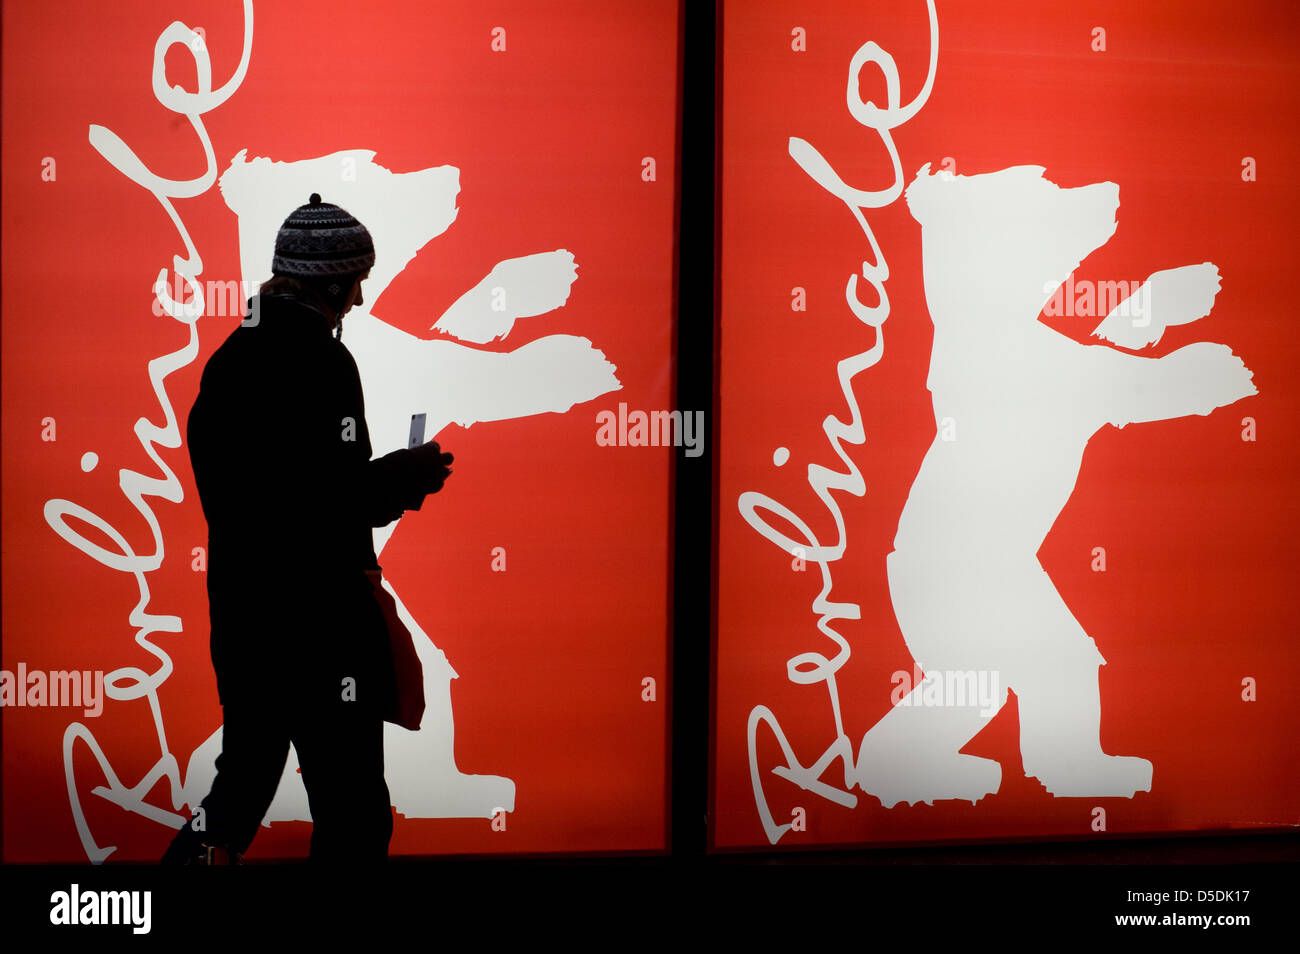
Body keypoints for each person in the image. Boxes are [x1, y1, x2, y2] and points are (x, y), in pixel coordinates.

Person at [162, 193, 453, 863]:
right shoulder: (323, 363)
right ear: (331, 283)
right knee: (354, 816)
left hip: (246, 625)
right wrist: (406, 475)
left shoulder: (229, 359)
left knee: (236, 795)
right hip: (321, 631)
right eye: (356, 281)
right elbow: (336, 502)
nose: (359, 299)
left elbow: (268, 501)